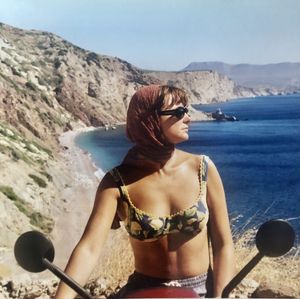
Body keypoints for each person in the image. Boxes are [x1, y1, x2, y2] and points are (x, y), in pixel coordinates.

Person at [54, 85, 235, 298]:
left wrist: (221, 295)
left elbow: (224, 245)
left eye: (186, 111)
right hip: (143, 293)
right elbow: (89, 249)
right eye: (179, 112)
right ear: (149, 120)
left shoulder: (203, 169)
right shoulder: (117, 183)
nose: (188, 118)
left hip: (202, 291)